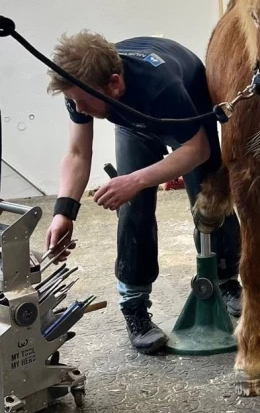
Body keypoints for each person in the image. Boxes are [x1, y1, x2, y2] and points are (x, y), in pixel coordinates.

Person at [45, 30, 242, 355]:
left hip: (187, 114)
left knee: (210, 201)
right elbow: (78, 154)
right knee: (133, 206)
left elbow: (196, 150)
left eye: (83, 101)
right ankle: (134, 307)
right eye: (73, 101)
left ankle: (226, 280)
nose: (78, 108)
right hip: (133, 123)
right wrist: (64, 212)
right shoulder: (80, 87)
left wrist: (134, 179)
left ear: (114, 83)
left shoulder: (159, 86)